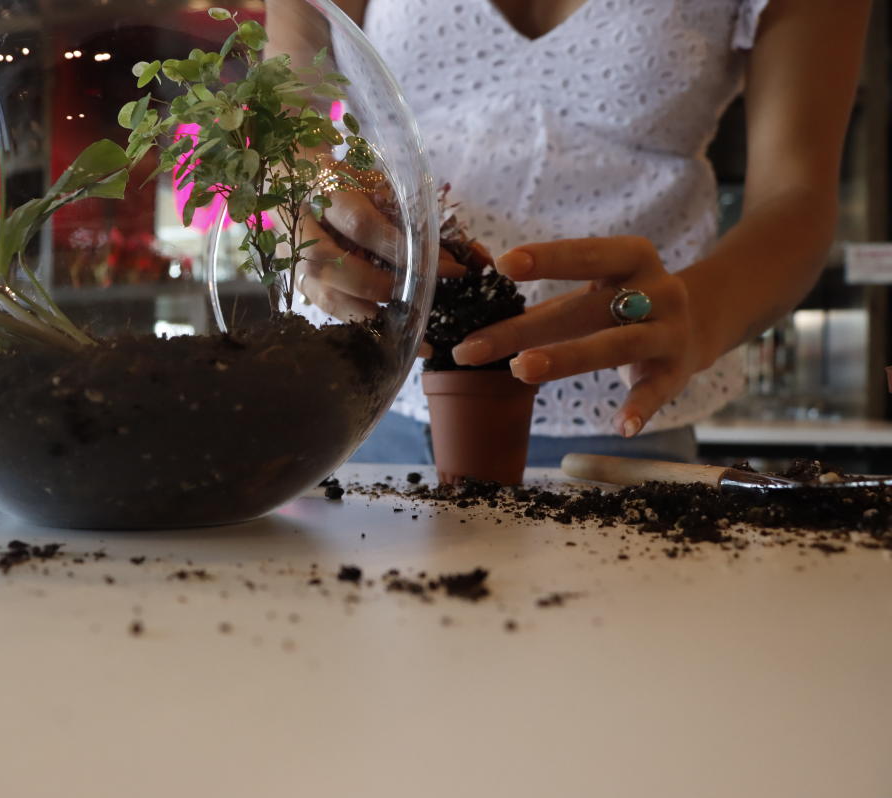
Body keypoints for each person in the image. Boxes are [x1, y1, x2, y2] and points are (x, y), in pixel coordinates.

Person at [268, 0, 872, 465]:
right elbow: (289, 128)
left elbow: (796, 194)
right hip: (359, 396)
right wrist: (298, 190)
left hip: (613, 417)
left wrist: (697, 315)